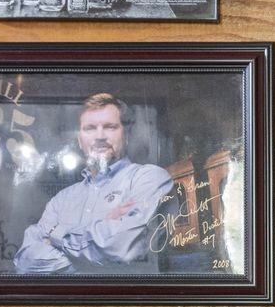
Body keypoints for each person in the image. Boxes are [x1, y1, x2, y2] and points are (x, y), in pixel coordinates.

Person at [13, 94, 172, 273]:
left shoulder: (149, 178)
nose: (100, 136)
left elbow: (123, 248)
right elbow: (25, 265)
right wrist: (102, 232)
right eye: (90, 128)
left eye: (110, 127)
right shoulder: (61, 200)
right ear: (80, 141)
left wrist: (54, 235)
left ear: (125, 135)